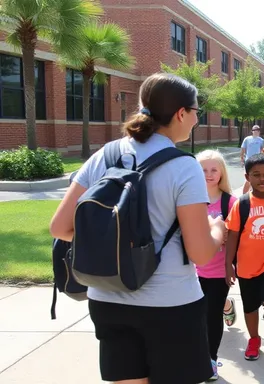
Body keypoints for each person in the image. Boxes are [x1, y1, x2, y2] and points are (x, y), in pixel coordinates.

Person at [49, 73, 226, 384]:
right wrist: (217, 229)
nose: (198, 119)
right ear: (181, 113)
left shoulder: (106, 154)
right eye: (197, 111)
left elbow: (60, 227)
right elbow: (199, 252)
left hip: (107, 298)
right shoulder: (184, 166)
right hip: (170, 302)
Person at [225, 154, 264, 361]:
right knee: (250, 306)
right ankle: (254, 339)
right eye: (256, 175)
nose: (262, 179)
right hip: (246, 266)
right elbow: (232, 235)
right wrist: (228, 265)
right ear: (247, 177)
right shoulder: (241, 204)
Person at [196, 149, 237, 381]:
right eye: (203, 170)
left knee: (211, 317)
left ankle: (211, 360)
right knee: (196, 315)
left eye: (214, 169)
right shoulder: (188, 199)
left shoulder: (229, 202)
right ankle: (227, 305)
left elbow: (235, 237)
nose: (209, 174)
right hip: (192, 270)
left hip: (219, 271)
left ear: (222, 172)